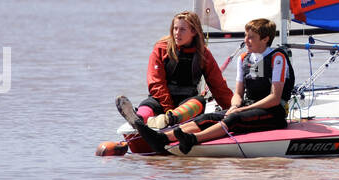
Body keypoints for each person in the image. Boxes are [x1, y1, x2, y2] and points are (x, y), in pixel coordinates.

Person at [125, 18, 295, 155]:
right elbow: (238, 93)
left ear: (265, 39)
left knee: (233, 119)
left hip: (273, 113)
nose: (246, 40)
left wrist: (239, 111)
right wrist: (235, 105)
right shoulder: (244, 59)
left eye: (251, 37)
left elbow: (274, 98)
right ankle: (161, 138)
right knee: (209, 117)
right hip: (248, 107)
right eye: (245, 35)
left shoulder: (277, 58)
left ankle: (193, 139)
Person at [125, 11, 233, 130]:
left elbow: (218, 86)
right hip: (161, 100)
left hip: (186, 103)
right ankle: (138, 120)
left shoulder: (203, 54)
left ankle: (169, 119)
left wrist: (233, 109)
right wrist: (168, 108)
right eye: (175, 28)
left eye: (182, 29)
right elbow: (156, 82)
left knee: (200, 102)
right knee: (148, 104)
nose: (177, 33)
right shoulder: (161, 48)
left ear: (193, 32)